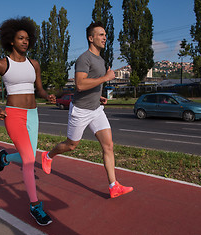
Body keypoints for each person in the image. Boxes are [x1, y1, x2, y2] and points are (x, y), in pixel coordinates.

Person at [41, 21, 133, 199]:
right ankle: (48, 155)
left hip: (96, 109)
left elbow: (92, 83)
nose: (105, 37)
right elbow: (80, 84)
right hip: (81, 110)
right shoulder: (84, 58)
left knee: (108, 146)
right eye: (101, 34)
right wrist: (106, 77)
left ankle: (113, 186)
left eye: (105, 34)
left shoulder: (100, 59)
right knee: (71, 146)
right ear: (91, 38)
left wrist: (98, 96)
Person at [0, 17, 56, 226]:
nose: (25, 41)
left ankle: (4, 157)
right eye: (21, 38)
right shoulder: (2, 64)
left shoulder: (34, 64)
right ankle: (35, 206)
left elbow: (38, 89)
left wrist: (47, 95)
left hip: (33, 114)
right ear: (11, 41)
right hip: (14, 115)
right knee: (30, 161)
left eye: (27, 38)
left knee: (28, 157)